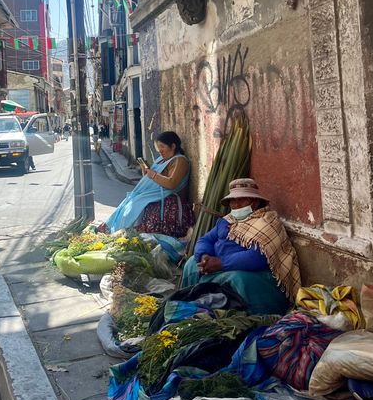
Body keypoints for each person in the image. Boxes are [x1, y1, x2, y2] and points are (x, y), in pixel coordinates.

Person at [181, 178, 301, 315]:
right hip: (221, 265)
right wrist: (204, 256)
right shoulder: (226, 221)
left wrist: (221, 263)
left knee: (236, 279)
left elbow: (258, 257)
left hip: (256, 274)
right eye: (233, 201)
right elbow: (205, 240)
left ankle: (248, 317)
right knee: (191, 263)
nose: (236, 205)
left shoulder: (267, 222)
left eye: (241, 200)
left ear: (254, 202)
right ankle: (190, 305)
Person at [99, 131, 194, 236]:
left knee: (135, 205)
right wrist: (146, 171)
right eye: (158, 148)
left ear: (173, 146)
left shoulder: (180, 161)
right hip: (151, 193)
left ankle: (122, 231)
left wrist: (153, 175)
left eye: (162, 147)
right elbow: (154, 177)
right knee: (129, 201)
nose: (160, 151)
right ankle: (112, 228)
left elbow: (172, 184)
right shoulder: (162, 159)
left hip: (166, 195)